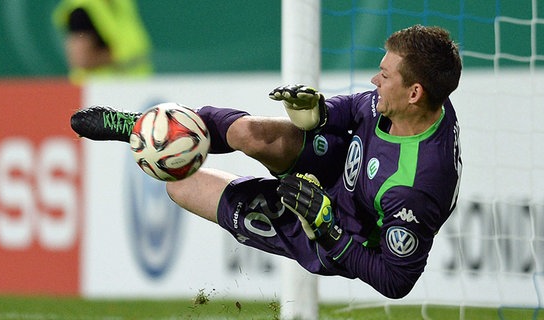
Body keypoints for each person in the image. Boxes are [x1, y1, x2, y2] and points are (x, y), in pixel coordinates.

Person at [70, 25, 462, 299]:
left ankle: (155, 138)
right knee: (249, 134)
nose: (375, 80)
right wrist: (321, 111)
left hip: (338, 226)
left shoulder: (417, 188)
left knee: (180, 185)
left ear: (413, 93)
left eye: (385, 75)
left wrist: (328, 231)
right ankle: (144, 129)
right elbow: (358, 107)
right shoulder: (418, 101)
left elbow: (396, 281)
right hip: (341, 163)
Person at [53, 0, 153, 84]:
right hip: (96, 92)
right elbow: (82, 59)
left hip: (133, 88)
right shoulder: (82, 10)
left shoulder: (122, 4)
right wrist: (120, 56)